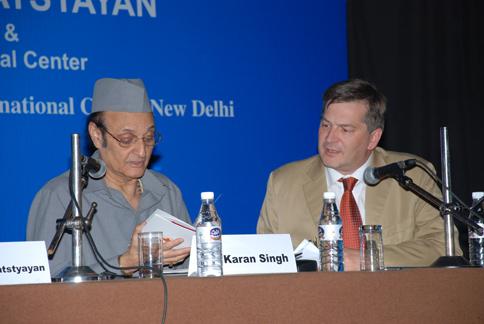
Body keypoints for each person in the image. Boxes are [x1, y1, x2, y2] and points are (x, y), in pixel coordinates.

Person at [257, 79, 461, 270]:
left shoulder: (412, 175)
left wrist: (363, 258)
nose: (329, 138)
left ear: (373, 138)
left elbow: (443, 247)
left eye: (345, 130)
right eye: (325, 125)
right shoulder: (283, 182)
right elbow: (264, 260)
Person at [27, 78, 191, 277]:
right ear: (97, 136)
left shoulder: (167, 192)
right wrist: (125, 263)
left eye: (149, 138)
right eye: (126, 140)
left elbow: (192, 275)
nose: (141, 151)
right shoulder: (62, 196)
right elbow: (43, 286)